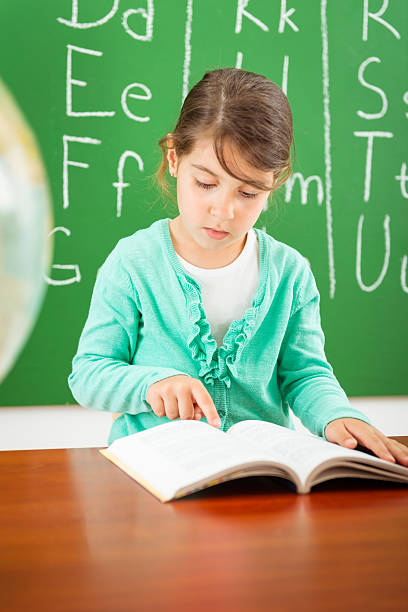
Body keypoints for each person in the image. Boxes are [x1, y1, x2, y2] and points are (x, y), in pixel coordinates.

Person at [68, 68, 408, 466]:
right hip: (156, 472)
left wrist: (338, 416)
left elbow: (306, 375)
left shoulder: (289, 273)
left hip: (261, 476)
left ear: (274, 183)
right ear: (174, 158)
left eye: (248, 192)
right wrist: (151, 382)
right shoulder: (133, 262)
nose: (224, 211)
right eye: (206, 183)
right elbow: (88, 375)